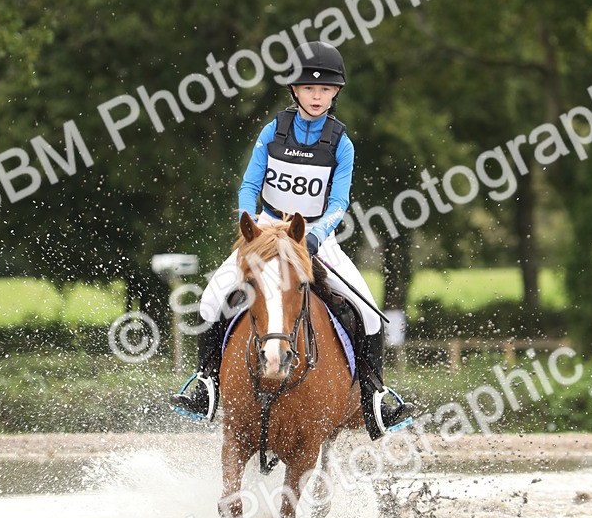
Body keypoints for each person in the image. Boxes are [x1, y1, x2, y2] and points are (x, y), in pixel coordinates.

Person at [170, 40, 414, 438]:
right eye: (308, 88)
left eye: (324, 89)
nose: (316, 96)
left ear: (335, 93)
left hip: (316, 237)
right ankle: (206, 384)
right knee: (212, 298)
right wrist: (249, 226)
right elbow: (250, 185)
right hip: (266, 233)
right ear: (295, 91)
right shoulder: (273, 131)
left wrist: (316, 235)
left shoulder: (341, 143)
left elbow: (338, 202)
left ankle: (375, 398)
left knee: (369, 312)